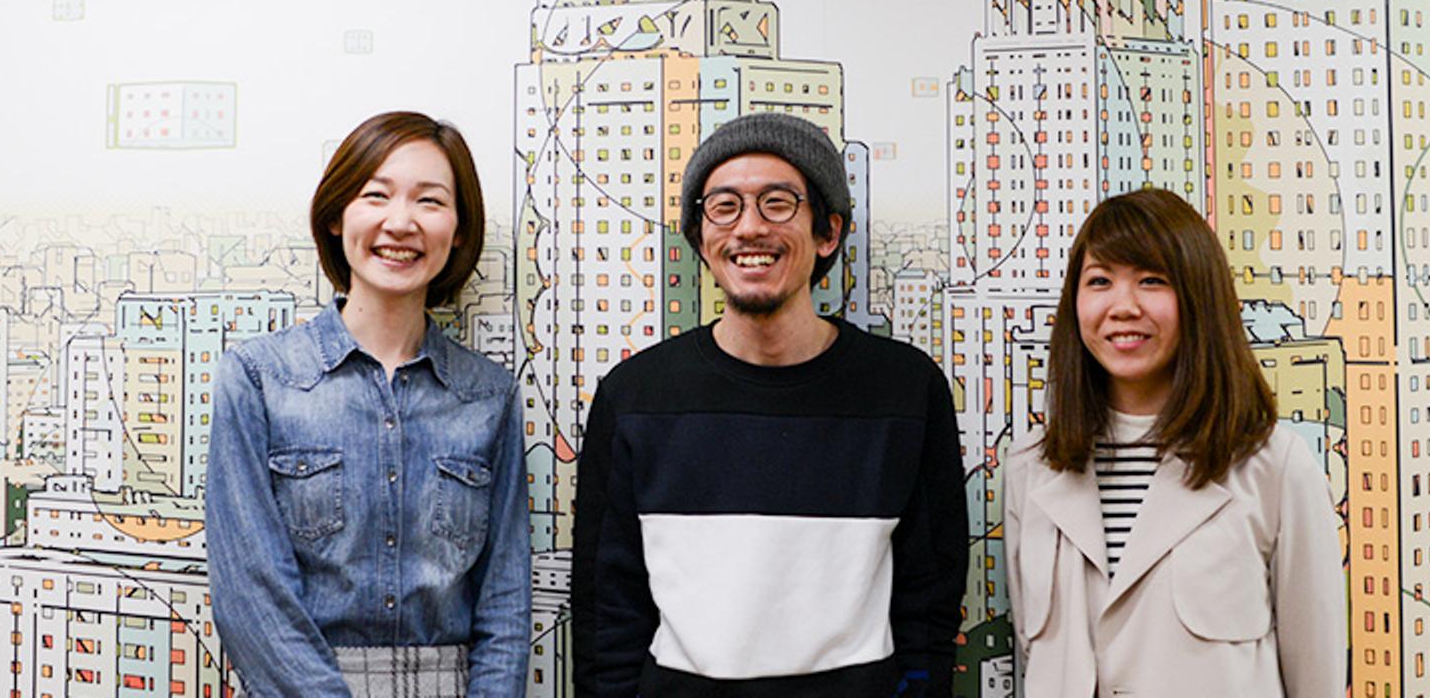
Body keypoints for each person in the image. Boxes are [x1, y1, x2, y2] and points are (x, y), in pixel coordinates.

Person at [570, 112, 966, 697]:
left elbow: (928, 608)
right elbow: (607, 616)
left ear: (828, 233)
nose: (749, 228)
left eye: (777, 204)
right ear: (700, 238)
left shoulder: (905, 391)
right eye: (724, 207)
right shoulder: (635, 397)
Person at [207, 111, 529, 697]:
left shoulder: (489, 395)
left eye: (430, 201)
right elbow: (251, 593)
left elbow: (505, 601)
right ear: (336, 215)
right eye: (376, 195)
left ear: (459, 229)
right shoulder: (258, 378)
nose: (400, 223)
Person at [1003, 188, 1345, 696]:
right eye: (1099, 281)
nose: (1123, 307)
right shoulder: (1031, 467)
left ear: (1198, 298)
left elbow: (1316, 671)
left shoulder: (1273, 465)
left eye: (1152, 281)